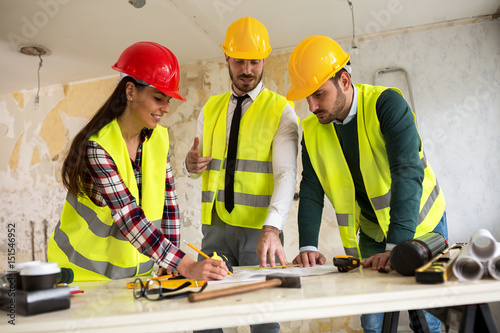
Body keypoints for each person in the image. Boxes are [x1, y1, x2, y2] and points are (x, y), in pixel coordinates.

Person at [286, 35, 447, 333]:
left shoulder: (387, 104)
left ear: (344, 81)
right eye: (306, 98)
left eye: (318, 94)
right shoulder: (313, 128)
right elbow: (311, 186)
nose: (311, 106)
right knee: (372, 323)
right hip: (372, 233)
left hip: (422, 227)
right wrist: (307, 245)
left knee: (425, 319)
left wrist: (397, 247)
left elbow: (406, 170)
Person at [48, 42, 228, 282]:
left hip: (130, 279)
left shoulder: (159, 139)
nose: (165, 109)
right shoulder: (98, 147)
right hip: (81, 276)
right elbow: (129, 216)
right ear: (130, 91)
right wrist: (185, 264)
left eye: (168, 101)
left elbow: (169, 207)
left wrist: (170, 265)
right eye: (158, 98)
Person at [184, 17, 299, 333]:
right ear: (226, 59)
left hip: (259, 233)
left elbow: (287, 174)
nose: (247, 69)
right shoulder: (211, 108)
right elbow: (201, 168)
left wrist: (273, 228)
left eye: (254, 61)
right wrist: (189, 167)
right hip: (216, 228)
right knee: (207, 314)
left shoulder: (281, 110)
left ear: (264, 60)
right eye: (239, 61)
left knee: (261, 319)